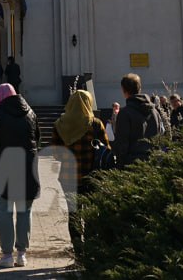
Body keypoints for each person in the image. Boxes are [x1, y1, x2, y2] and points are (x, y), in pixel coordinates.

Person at [0, 83, 39, 269]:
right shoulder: (31, 113)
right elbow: (36, 139)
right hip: (28, 169)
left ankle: (7, 255)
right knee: (25, 211)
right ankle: (22, 254)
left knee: (4, 212)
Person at [51, 89, 108, 252]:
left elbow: (55, 153)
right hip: (92, 176)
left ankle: (78, 251)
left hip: (68, 177)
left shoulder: (60, 124)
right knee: (90, 214)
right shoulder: (96, 124)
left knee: (73, 214)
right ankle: (90, 250)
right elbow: (106, 149)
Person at [113, 73, 162, 167]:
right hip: (153, 163)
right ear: (139, 88)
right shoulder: (155, 112)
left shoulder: (125, 113)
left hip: (132, 165)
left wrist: (119, 166)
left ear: (124, 90)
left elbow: (122, 144)